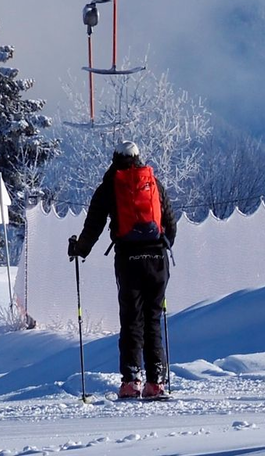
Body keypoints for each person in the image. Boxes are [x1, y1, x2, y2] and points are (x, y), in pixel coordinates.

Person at [68, 140, 177, 399]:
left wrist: (79, 249)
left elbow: (94, 224)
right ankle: (156, 382)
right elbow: (170, 222)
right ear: (138, 157)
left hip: (129, 260)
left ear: (115, 157)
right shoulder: (153, 182)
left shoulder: (110, 185)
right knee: (153, 319)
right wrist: (163, 245)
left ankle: (131, 381)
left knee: (131, 320)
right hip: (157, 259)